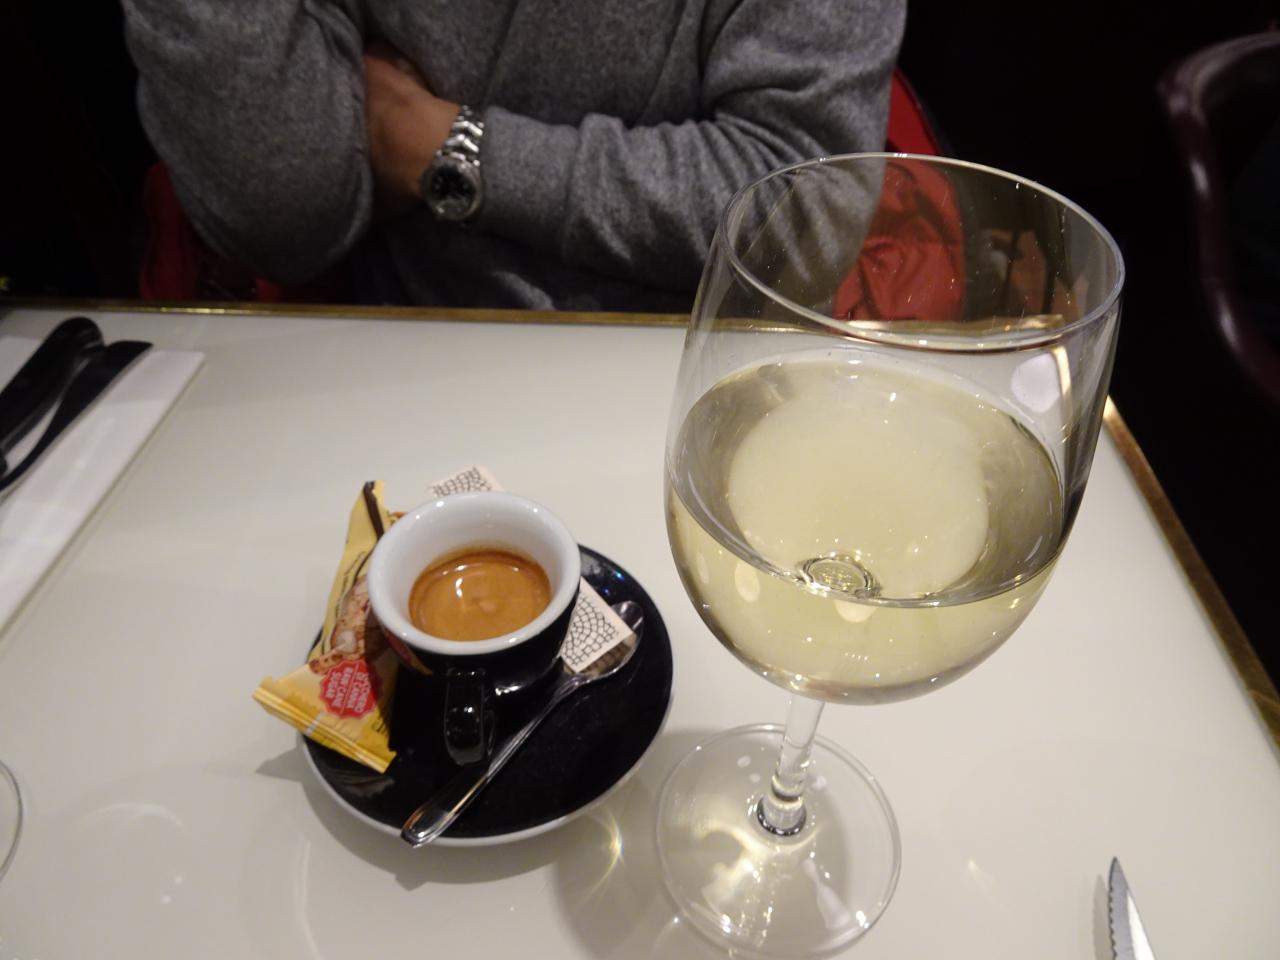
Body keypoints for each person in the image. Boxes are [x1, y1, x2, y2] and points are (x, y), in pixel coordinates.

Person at [121, 0, 905, 311]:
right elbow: (287, 208)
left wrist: (446, 148)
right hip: (397, 364)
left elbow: (800, 217)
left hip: (699, 382)